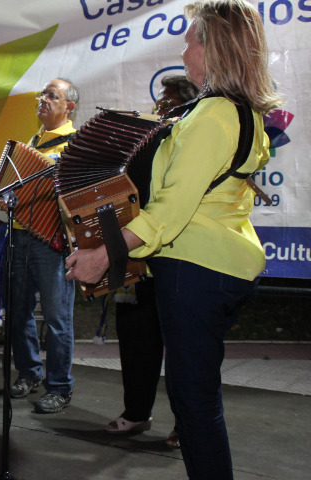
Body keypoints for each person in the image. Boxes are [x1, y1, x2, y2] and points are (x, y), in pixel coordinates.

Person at [65, 1, 283, 477]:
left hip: (197, 270)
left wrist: (104, 253)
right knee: (196, 398)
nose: (183, 50)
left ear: (215, 47)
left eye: (190, 39)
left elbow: (171, 210)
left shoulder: (212, 116)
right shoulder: (240, 114)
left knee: (195, 403)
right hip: (219, 268)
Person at [104, 76, 198, 449]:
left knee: (181, 346)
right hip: (137, 254)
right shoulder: (142, 142)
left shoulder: (190, 141)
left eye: (170, 104)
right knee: (135, 338)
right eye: (160, 103)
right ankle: (137, 412)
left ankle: (185, 423)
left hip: (176, 254)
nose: (161, 110)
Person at [6, 78, 77, 415]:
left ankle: (60, 387)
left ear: (69, 107)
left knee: (57, 318)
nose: (44, 100)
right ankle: (30, 372)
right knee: (17, 313)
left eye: (53, 96)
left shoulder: (76, 145)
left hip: (52, 242)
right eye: (43, 95)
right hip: (18, 236)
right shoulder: (31, 143)